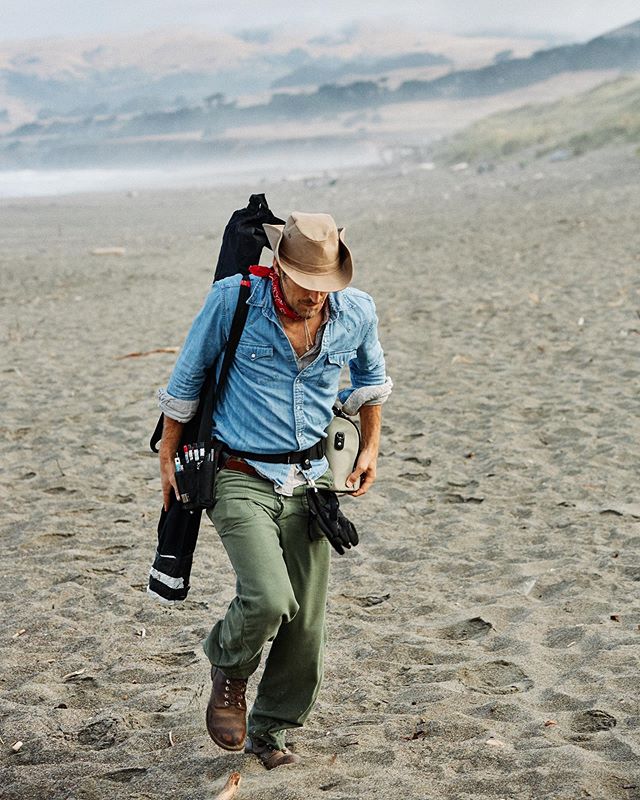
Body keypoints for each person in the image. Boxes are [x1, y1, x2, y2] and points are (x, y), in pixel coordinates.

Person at [157, 211, 391, 769]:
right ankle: (229, 668)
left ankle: (272, 732)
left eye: (326, 285)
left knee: (307, 624)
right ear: (281, 268)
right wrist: (167, 452)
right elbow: (187, 377)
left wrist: (370, 449)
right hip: (239, 474)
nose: (316, 296)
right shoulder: (234, 300)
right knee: (268, 598)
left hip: (311, 481)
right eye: (306, 283)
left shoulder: (356, 312)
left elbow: (371, 381)